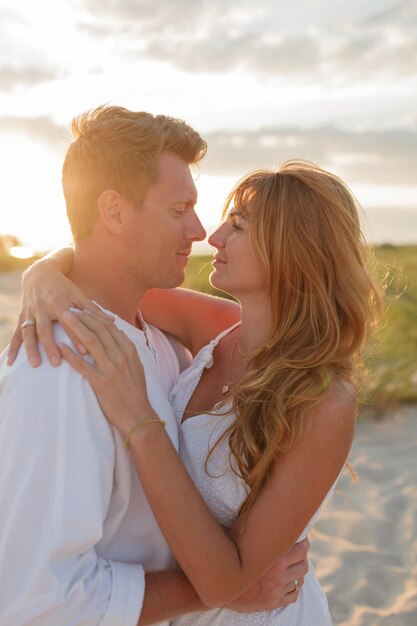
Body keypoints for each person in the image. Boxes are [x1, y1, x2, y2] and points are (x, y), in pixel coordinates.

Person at [8, 160, 381, 624]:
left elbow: (227, 583)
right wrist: (41, 273)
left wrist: (141, 421)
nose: (215, 237)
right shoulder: (219, 330)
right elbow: (106, 279)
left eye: (238, 226)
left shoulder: (324, 403)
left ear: (291, 249)